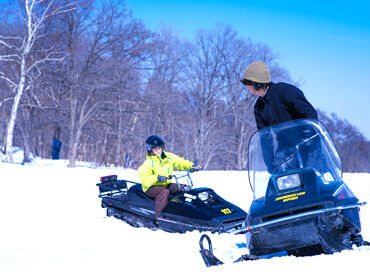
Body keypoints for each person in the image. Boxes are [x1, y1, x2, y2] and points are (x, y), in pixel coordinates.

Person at [241, 61, 319, 173]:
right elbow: (265, 138)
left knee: (311, 181)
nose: (246, 87)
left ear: (256, 82)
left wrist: (308, 137)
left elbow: (309, 113)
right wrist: (270, 165)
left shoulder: (285, 91)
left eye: (247, 83)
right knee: (281, 183)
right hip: (285, 149)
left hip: (308, 146)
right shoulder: (259, 107)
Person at [138, 135, 201, 223]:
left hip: (165, 184)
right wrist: (157, 177)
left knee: (184, 188)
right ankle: (159, 218)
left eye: (159, 148)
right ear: (150, 150)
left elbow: (180, 162)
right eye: (155, 149)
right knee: (164, 192)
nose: (158, 151)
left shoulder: (168, 157)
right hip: (151, 187)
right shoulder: (148, 163)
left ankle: (184, 211)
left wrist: (191, 166)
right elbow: (145, 180)